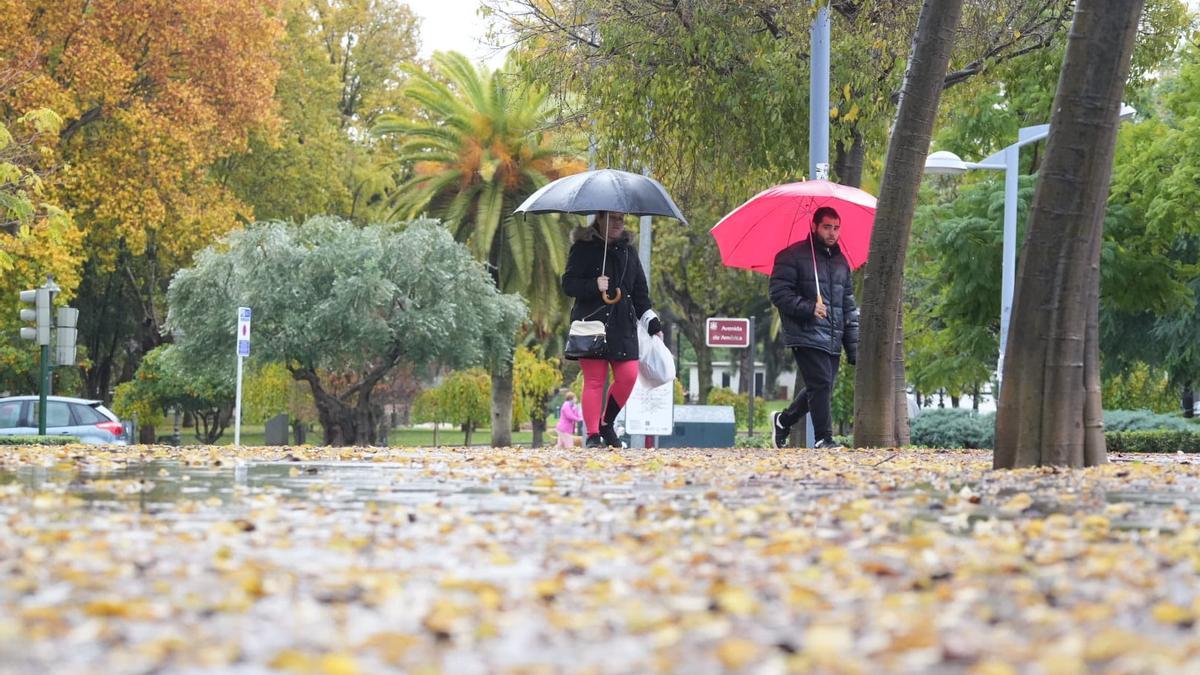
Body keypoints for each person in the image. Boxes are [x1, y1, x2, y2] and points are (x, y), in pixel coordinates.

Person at [562, 211, 662, 448]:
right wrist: (593, 285)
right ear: (600, 219)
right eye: (613, 219)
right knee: (595, 381)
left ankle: (607, 423)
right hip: (592, 324)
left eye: (621, 219)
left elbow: (640, 292)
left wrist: (652, 322)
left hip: (623, 325)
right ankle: (593, 435)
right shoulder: (583, 248)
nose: (618, 223)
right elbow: (568, 284)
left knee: (628, 376)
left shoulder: (629, 251)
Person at [768, 206, 859, 449]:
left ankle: (783, 421)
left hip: (833, 336)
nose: (832, 233)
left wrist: (854, 347)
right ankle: (823, 439)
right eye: (827, 227)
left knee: (822, 386)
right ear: (814, 226)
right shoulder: (791, 256)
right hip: (804, 333)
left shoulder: (841, 263)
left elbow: (848, 306)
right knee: (820, 384)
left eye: (836, 228)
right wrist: (809, 308)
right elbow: (778, 293)